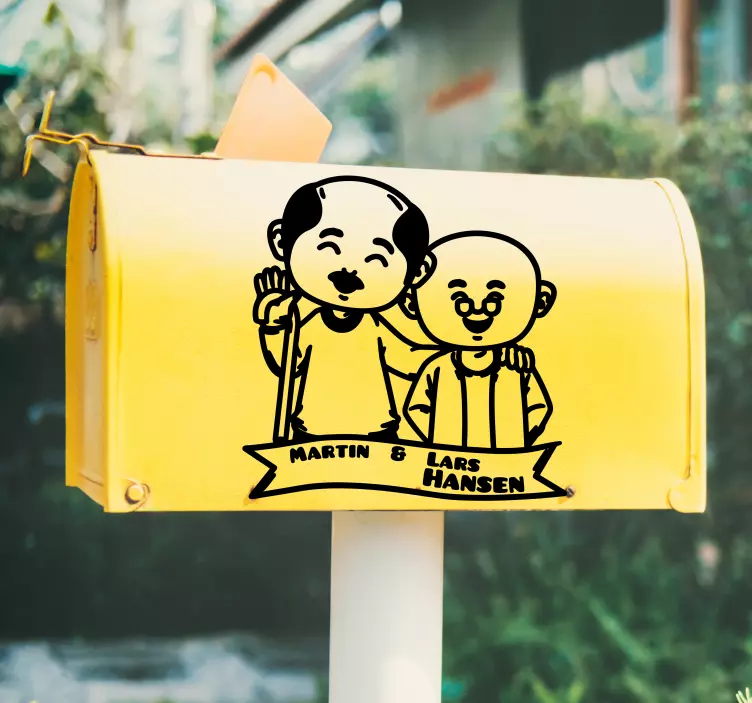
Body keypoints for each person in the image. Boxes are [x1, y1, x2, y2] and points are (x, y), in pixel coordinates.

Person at [402, 231, 556, 449]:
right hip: (448, 462)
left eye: (494, 300)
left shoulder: (516, 367)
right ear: (411, 304)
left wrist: (519, 438)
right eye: (460, 300)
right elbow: (416, 409)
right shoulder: (437, 368)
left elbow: (539, 408)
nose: (477, 311)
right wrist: (436, 437)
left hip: (507, 461)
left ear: (541, 301)